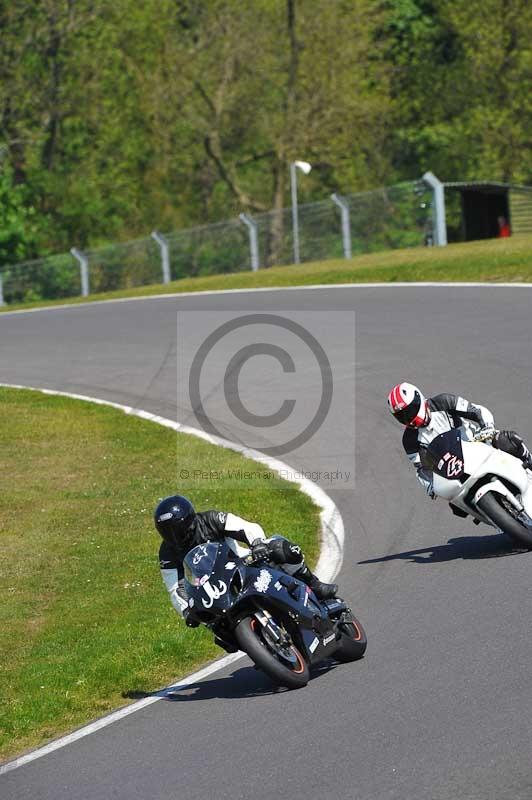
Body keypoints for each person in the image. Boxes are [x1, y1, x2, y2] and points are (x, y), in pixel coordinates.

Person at [154, 495, 338, 627]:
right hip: (213, 592)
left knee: (280, 548)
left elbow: (244, 527)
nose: (174, 536)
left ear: (190, 520)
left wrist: (257, 544)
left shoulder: (210, 519)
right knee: (216, 629)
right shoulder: (167, 552)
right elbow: (175, 587)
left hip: (241, 565)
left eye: (177, 529)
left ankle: (314, 585)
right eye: (167, 532)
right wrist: (186, 610)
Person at [387, 382, 532, 499]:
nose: (408, 418)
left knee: (507, 440)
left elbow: (476, 411)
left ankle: (529, 462)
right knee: (455, 503)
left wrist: (487, 427)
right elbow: (421, 468)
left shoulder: (442, 402)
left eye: (409, 411)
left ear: (419, 399)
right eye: (402, 416)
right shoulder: (409, 440)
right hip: (455, 470)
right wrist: (430, 485)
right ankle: (497, 520)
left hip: (477, 444)